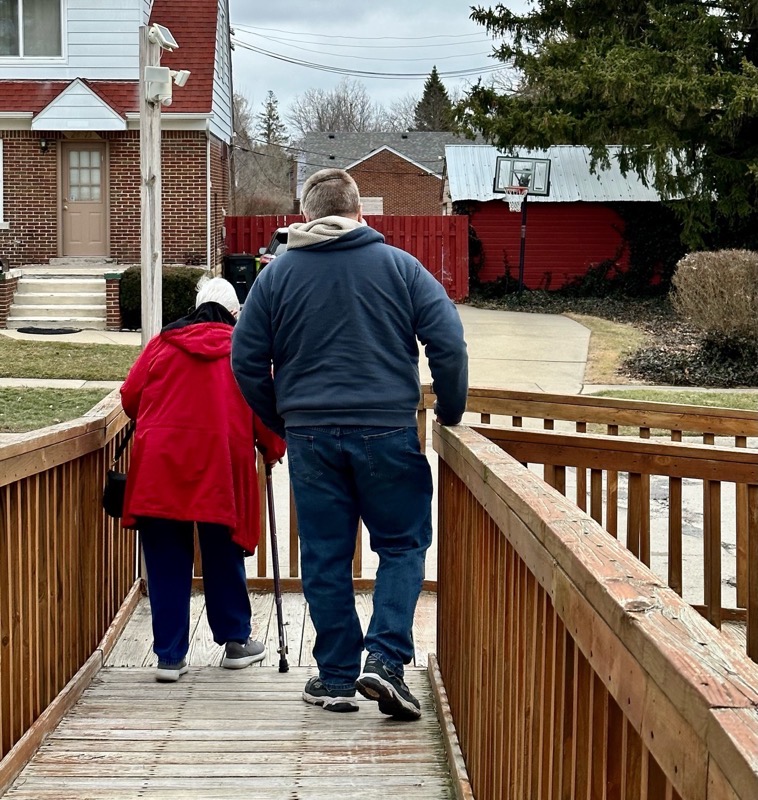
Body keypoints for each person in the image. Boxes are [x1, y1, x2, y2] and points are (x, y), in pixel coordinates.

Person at [231, 169, 468, 720]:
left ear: (306, 214)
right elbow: (449, 343)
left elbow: (244, 360)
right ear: (360, 211)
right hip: (387, 428)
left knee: (324, 558)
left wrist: (284, 419)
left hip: (311, 436)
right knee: (403, 546)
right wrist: (449, 412)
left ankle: (337, 676)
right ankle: (384, 662)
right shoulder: (400, 267)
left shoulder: (277, 276)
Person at [121, 277, 286, 683]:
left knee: (164, 556)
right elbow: (265, 408)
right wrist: (273, 447)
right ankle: (234, 641)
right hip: (219, 467)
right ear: (234, 314)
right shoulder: (245, 350)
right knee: (222, 549)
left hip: (160, 465)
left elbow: (130, 398)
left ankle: (169, 656)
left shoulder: (163, 343)